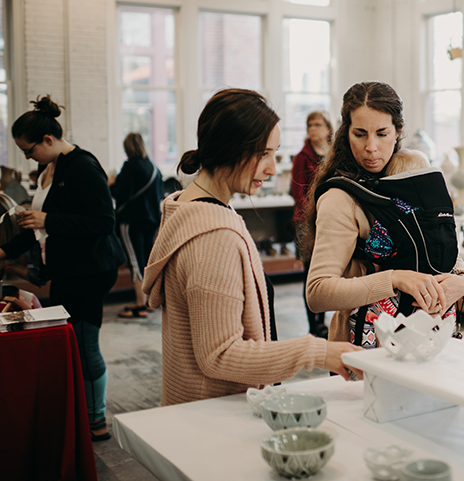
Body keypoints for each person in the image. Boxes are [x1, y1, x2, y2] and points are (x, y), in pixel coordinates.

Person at [142, 88, 361, 407]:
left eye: (275, 153)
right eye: (263, 154)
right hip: (211, 415)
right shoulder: (213, 234)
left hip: (197, 408)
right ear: (228, 149)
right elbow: (220, 354)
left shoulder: (187, 208)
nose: (272, 168)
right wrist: (318, 351)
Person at [303, 81, 464, 344]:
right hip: (363, 347)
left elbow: (440, 245)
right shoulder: (340, 197)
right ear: (346, 133)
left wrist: (462, 282)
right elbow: (317, 294)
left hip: (425, 341)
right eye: (360, 134)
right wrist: (395, 278)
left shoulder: (409, 176)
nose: (371, 147)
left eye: (382, 134)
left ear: (398, 131)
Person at [0, 95, 124, 441]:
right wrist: (5, 249)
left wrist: (48, 218)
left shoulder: (83, 165)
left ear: (49, 140)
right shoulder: (48, 169)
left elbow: (103, 221)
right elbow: (36, 226)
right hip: (69, 268)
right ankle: (83, 411)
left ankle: (96, 421)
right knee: (71, 341)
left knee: (85, 343)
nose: (27, 158)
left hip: (91, 269)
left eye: (28, 151)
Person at [110, 132, 163, 319]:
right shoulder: (154, 167)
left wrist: (111, 183)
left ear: (127, 148)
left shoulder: (129, 167)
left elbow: (121, 194)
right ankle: (148, 302)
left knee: (134, 261)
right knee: (148, 261)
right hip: (152, 220)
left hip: (131, 221)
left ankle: (140, 305)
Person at [291, 110, 333, 338]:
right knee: (310, 275)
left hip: (329, 220)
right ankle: (313, 325)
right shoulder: (301, 157)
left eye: (317, 124)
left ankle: (323, 320)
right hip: (307, 223)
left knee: (327, 273)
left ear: (328, 128)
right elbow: (299, 194)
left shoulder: (334, 155)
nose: (312, 128)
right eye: (309, 125)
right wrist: (317, 214)